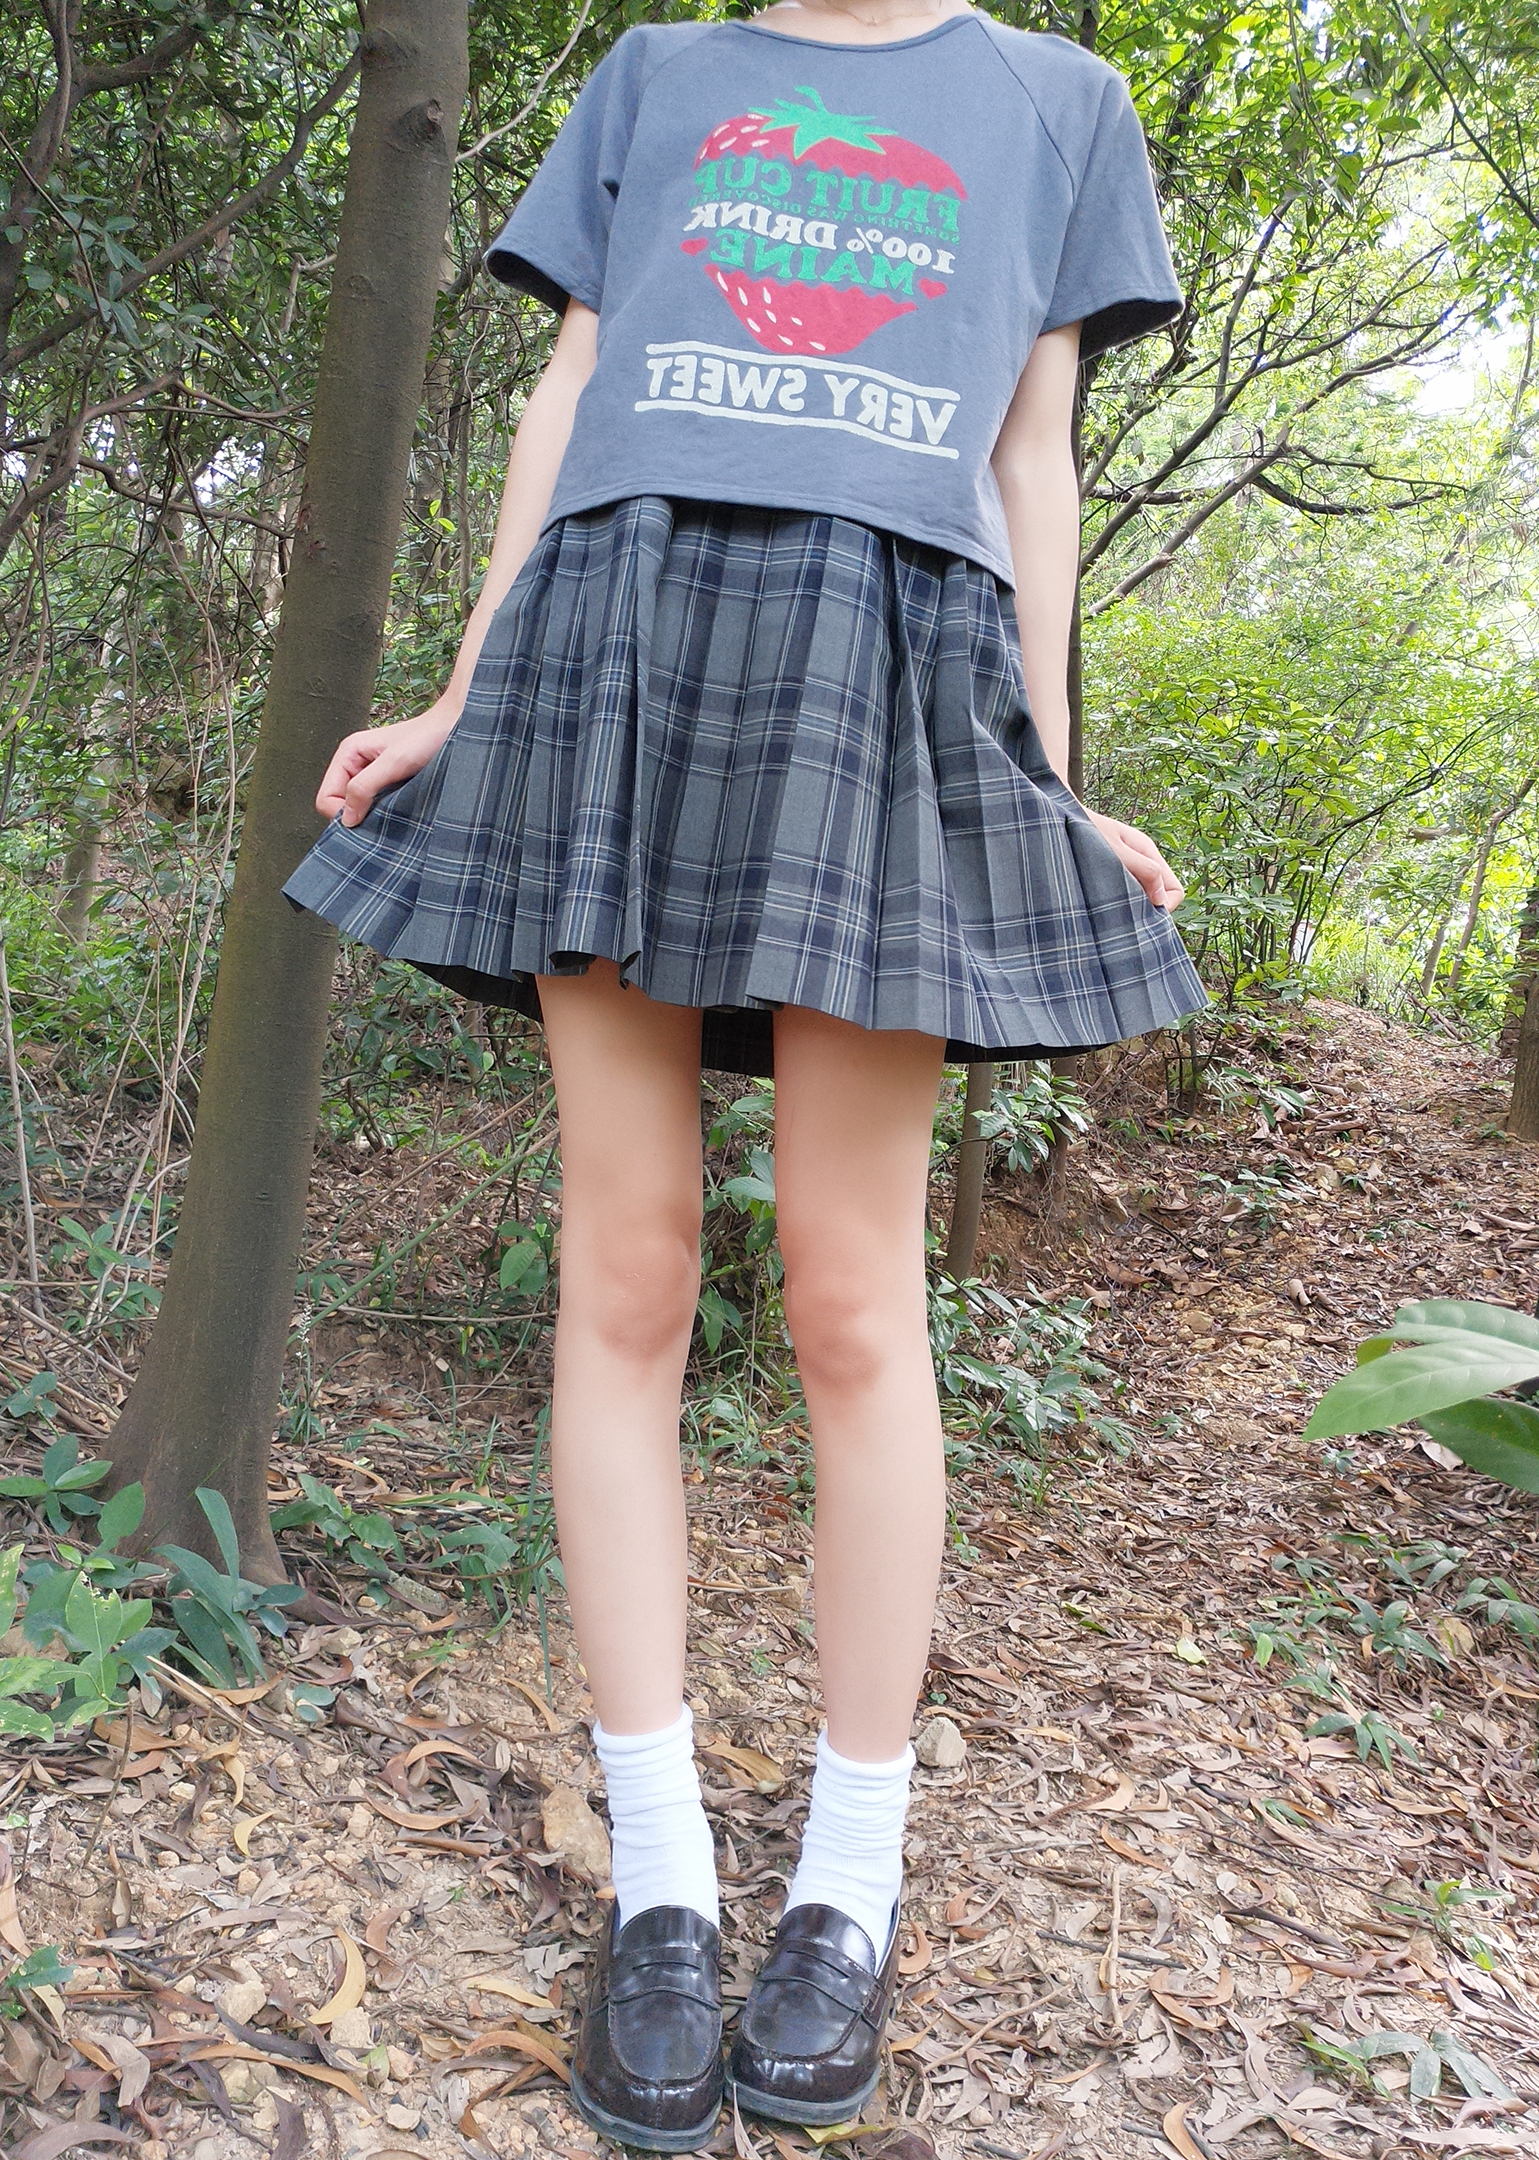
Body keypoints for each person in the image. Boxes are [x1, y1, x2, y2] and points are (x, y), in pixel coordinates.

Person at [286, 0, 1206, 2145]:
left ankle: (848, 1890)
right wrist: (465, 694)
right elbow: (573, 387)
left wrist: (1044, 778)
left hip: (890, 658)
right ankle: (664, 1882)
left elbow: (1033, 453)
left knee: (853, 1303)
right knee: (625, 1279)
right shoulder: (658, 73)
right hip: (617, 631)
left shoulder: (1057, 103)